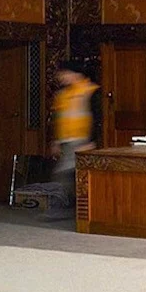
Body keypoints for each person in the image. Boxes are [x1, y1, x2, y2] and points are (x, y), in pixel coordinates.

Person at [50, 61, 98, 203]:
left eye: (63, 73)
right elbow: (59, 119)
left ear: (74, 74)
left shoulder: (89, 91)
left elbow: (98, 118)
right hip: (67, 141)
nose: (60, 77)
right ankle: (70, 206)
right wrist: (57, 141)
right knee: (69, 174)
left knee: (65, 173)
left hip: (81, 141)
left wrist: (92, 141)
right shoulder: (63, 94)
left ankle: (62, 207)